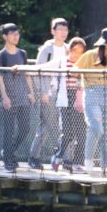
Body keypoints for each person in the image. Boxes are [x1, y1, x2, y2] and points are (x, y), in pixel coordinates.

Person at [76, 28, 107, 175]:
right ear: (103, 43)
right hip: (91, 92)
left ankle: (106, 165)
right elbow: (75, 69)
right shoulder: (90, 55)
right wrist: (80, 87)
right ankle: (88, 160)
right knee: (96, 127)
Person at [29, 18, 70, 170]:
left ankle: (65, 159)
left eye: (65, 30)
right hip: (48, 92)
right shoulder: (46, 49)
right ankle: (33, 157)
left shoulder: (67, 48)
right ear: (53, 31)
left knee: (66, 127)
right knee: (45, 125)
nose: (63, 33)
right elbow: (38, 70)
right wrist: (42, 92)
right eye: (59, 29)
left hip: (63, 93)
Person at [0, 23, 34, 172]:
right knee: (9, 130)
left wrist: (31, 92)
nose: (16, 37)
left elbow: (27, 74)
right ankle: (8, 162)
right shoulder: (0, 56)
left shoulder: (22, 53)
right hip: (10, 99)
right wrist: (4, 97)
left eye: (17, 34)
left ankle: (8, 152)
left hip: (23, 97)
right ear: (5, 36)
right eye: (12, 34)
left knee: (25, 128)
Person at [52, 37, 88, 172]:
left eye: (80, 52)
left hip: (79, 97)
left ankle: (78, 162)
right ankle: (58, 155)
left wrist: (80, 99)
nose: (77, 54)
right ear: (70, 50)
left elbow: (82, 83)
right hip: (65, 97)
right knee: (67, 132)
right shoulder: (62, 62)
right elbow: (46, 67)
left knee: (81, 132)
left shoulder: (83, 64)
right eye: (75, 51)